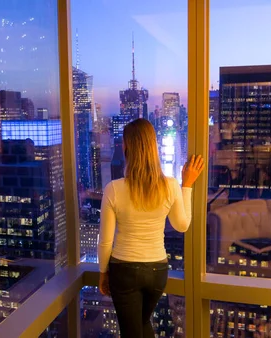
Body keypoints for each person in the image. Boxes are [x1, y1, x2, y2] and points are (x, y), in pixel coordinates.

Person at [97, 118, 204, 337]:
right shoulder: (170, 185)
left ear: (127, 147)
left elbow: (106, 241)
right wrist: (187, 186)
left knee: (132, 331)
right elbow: (182, 225)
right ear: (153, 147)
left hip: (124, 270)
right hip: (157, 271)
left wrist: (102, 273)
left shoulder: (113, 189)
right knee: (143, 324)